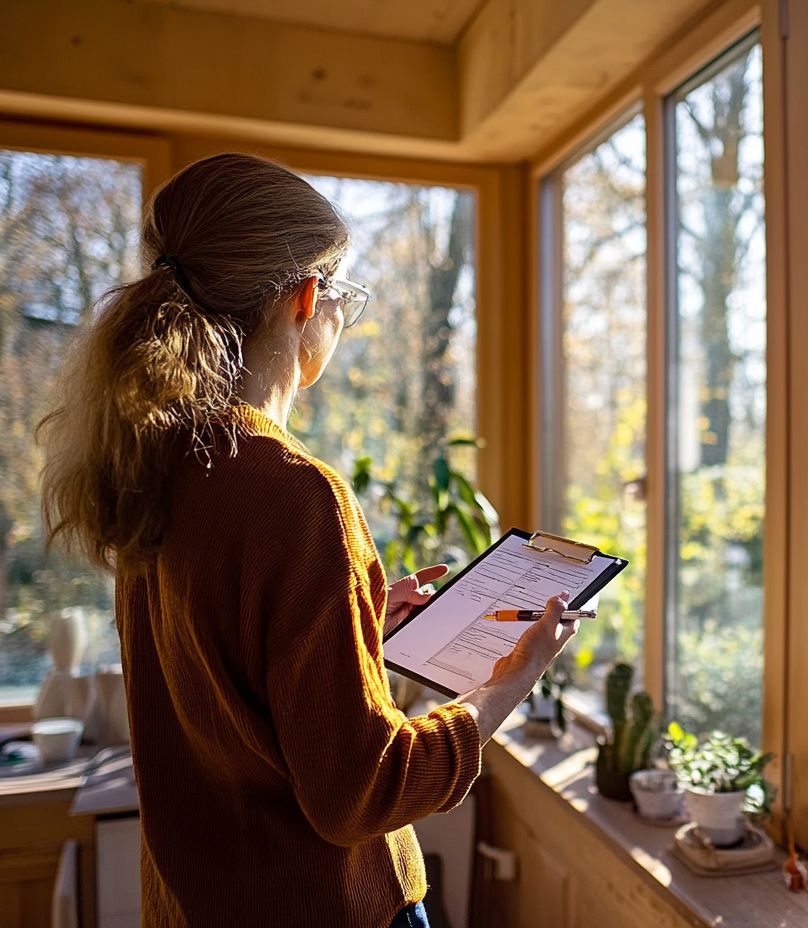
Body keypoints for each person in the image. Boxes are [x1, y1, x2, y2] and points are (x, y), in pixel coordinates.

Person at [39, 152, 576, 928]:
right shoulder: (296, 493)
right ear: (304, 298)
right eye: (343, 299)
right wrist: (504, 685)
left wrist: (349, 622)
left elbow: (224, 679)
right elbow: (363, 793)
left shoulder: (154, 469)